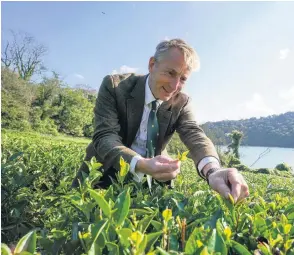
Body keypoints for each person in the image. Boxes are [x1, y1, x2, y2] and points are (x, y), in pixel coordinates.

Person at [72, 39, 249, 203]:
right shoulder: (115, 86)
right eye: (170, 73)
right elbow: (105, 136)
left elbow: (194, 134)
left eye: (183, 79)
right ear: (151, 65)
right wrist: (140, 164)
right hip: (103, 174)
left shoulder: (182, 102)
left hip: (151, 185)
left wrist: (213, 171)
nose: (174, 86)